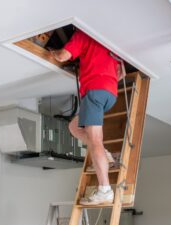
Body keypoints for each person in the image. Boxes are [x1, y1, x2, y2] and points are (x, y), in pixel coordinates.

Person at [51, 30, 123, 205]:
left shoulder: (84, 35)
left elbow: (62, 56)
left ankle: (105, 190)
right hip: (110, 94)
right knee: (74, 127)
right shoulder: (110, 40)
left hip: (95, 91)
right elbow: (121, 73)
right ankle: (104, 155)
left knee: (95, 140)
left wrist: (52, 52)